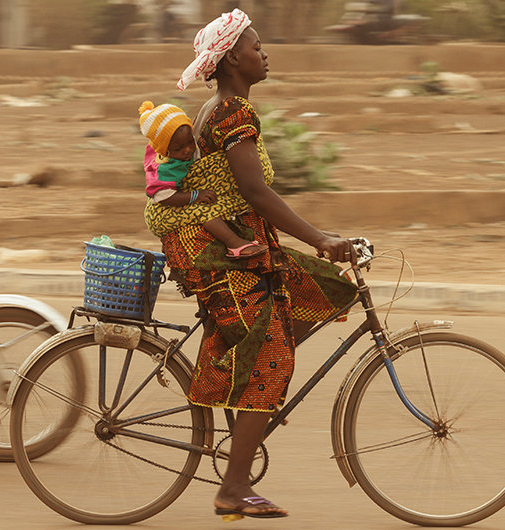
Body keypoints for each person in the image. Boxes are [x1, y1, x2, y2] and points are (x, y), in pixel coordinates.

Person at [160, 8, 358, 521]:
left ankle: (247, 397)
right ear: (231, 60)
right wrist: (320, 238)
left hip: (245, 246)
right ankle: (233, 487)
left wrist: (321, 245)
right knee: (273, 355)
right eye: (256, 47)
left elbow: (249, 193)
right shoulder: (231, 112)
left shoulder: (221, 107)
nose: (264, 54)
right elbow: (254, 191)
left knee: (328, 287)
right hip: (224, 255)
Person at [139, 100, 267, 259]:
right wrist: (195, 196)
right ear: (164, 150)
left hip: (173, 197)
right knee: (204, 211)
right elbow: (163, 196)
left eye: (190, 142)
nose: (187, 150)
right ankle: (234, 244)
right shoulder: (164, 170)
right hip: (164, 209)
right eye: (178, 149)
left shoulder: (178, 145)